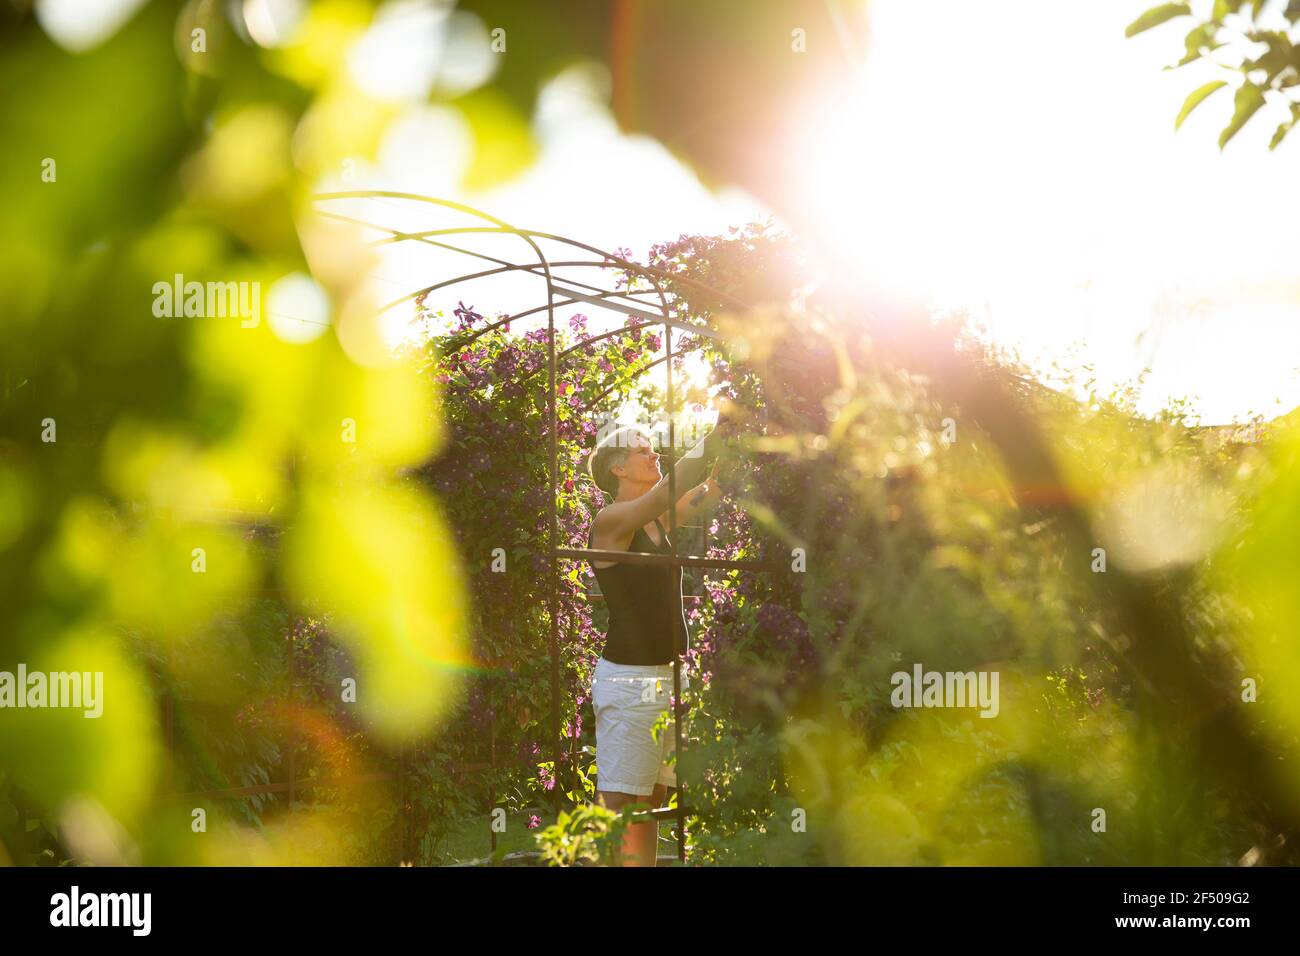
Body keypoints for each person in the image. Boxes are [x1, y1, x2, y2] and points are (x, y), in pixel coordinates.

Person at [584, 411, 737, 866]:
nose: (653, 453)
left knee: (651, 801)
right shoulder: (611, 522)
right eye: (641, 449)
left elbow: (709, 492)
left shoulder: (656, 522)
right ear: (617, 468)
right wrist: (710, 439)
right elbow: (666, 494)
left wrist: (738, 443)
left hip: (669, 680)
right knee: (619, 809)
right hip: (630, 684)